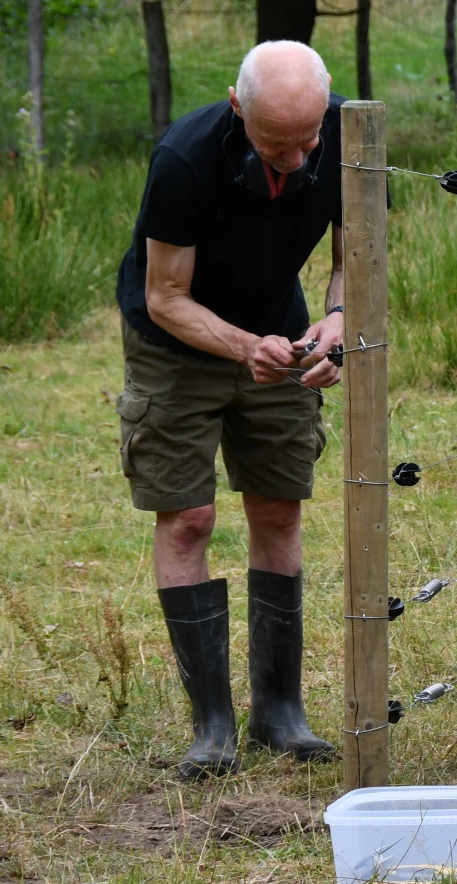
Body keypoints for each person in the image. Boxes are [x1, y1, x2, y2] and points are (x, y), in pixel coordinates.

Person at [113, 40, 345, 778]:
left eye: (309, 139)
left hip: (280, 327)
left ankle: (280, 714)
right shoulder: (183, 160)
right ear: (238, 107)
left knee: (278, 507)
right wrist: (246, 348)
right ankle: (211, 727)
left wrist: (339, 325)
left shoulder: (349, 135)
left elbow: (357, 260)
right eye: (278, 144)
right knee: (189, 517)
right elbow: (164, 296)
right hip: (178, 344)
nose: (299, 159)